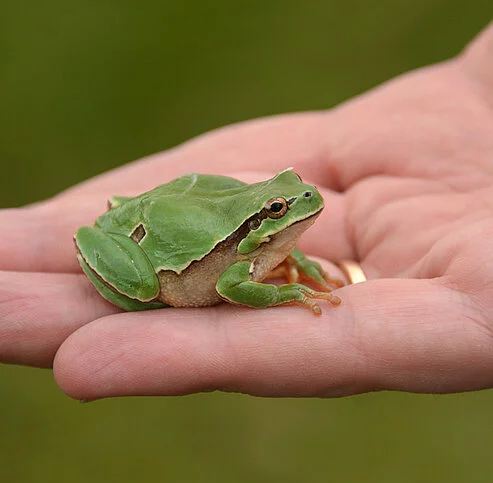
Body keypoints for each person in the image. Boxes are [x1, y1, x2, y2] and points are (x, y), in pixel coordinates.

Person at [1, 23, 493, 401]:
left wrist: (292, 262)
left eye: (291, 193)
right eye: (280, 208)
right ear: (262, 220)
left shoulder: (265, 239)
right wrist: (286, 294)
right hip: (161, 263)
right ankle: (139, 287)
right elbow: (229, 284)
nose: (300, 204)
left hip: (187, 216)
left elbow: (268, 251)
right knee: (148, 286)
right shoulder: (243, 254)